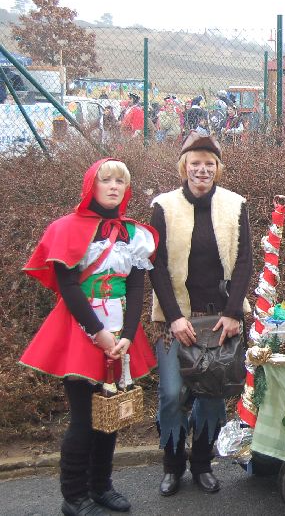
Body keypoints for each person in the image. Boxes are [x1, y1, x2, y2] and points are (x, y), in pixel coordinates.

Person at [20, 158, 158, 516]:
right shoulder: (66, 229)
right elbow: (68, 286)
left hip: (120, 333)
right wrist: (98, 333)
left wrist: (128, 335)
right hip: (81, 332)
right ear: (90, 186)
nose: (113, 187)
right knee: (83, 420)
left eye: (120, 181)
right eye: (106, 180)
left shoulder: (134, 234)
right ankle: (74, 497)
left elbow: (136, 286)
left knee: (109, 415)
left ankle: (101, 487)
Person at [150, 132, 253, 496]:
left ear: (217, 168)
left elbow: (244, 261)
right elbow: (156, 265)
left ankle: (202, 465)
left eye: (209, 164)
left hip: (220, 320)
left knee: (212, 396)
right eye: (195, 163)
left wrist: (233, 312)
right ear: (184, 166)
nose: (202, 169)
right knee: (171, 395)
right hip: (174, 321)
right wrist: (174, 317)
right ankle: (172, 466)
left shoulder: (235, 205)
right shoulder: (163, 207)